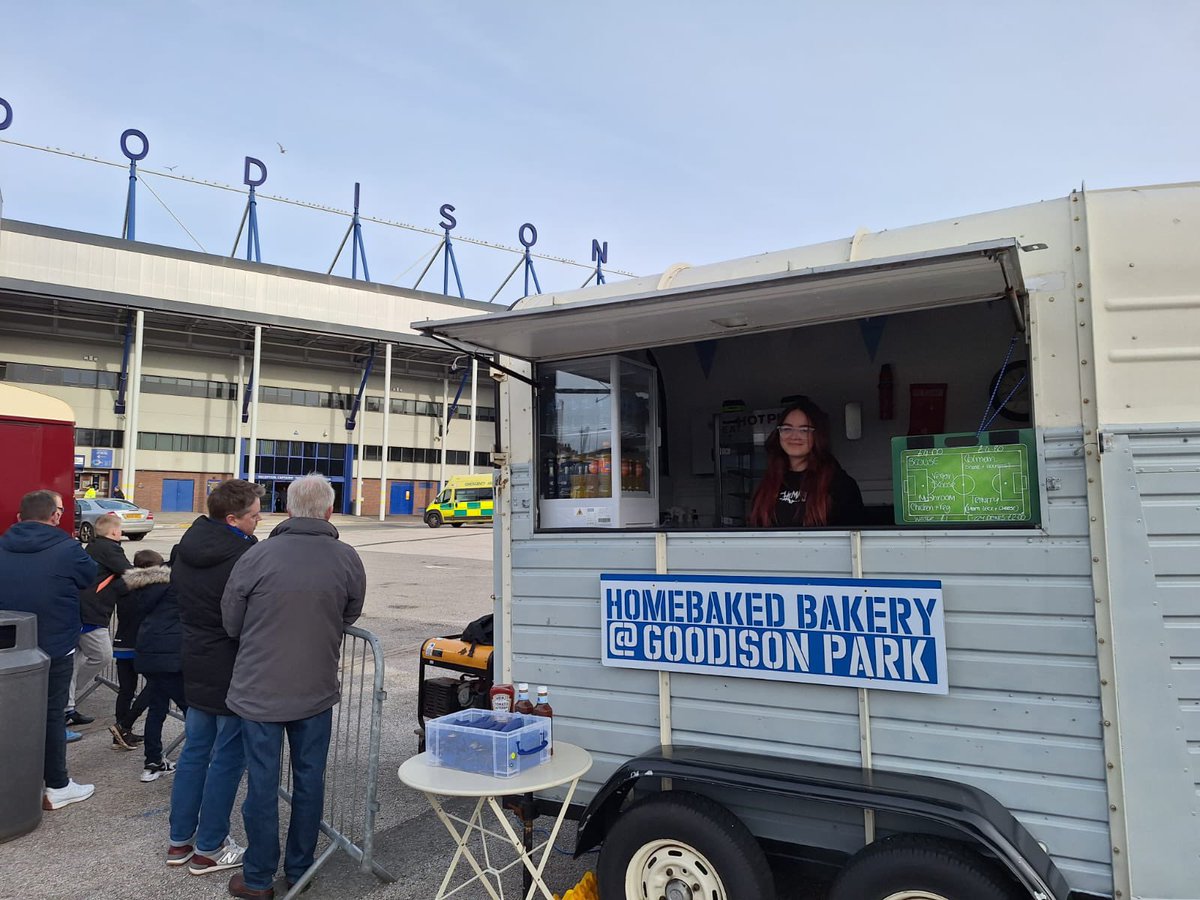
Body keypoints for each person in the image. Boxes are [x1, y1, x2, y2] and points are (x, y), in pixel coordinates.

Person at [222, 474, 365, 899]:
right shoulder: (346, 557)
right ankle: (300, 869)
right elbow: (350, 612)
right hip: (315, 688)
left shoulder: (257, 556)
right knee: (309, 780)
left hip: (258, 689)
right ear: (328, 512)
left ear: (287, 510)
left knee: (261, 784)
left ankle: (259, 877)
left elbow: (231, 621)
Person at [166, 478, 264, 874]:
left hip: (196, 657)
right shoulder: (243, 555)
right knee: (227, 756)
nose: (259, 522)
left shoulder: (185, 547)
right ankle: (209, 847)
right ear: (232, 518)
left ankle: (179, 841)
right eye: (254, 516)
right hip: (232, 662)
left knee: (195, 751)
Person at [0, 490, 97, 810]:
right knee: (52, 715)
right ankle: (56, 785)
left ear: (19, 517)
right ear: (54, 516)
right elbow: (89, 579)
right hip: (55, 645)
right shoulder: (67, 548)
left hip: (9, 647)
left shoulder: (2, 545)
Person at [122, 549, 186, 782]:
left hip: (148, 653)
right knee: (192, 711)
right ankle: (201, 759)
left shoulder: (137, 591)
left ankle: (153, 761)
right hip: (171, 655)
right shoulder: (173, 589)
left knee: (157, 709)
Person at [749, 398, 864, 528]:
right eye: (787, 429)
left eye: (804, 430)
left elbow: (855, 539)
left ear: (818, 435)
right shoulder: (769, 482)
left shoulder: (840, 484)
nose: (794, 436)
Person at [66, 513, 130, 728]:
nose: (121, 533)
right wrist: (160, 574)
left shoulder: (95, 547)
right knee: (102, 655)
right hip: (91, 612)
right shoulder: (109, 549)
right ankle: (65, 698)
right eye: (120, 529)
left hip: (84, 609)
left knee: (75, 659)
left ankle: (67, 706)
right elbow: (130, 573)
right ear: (113, 532)